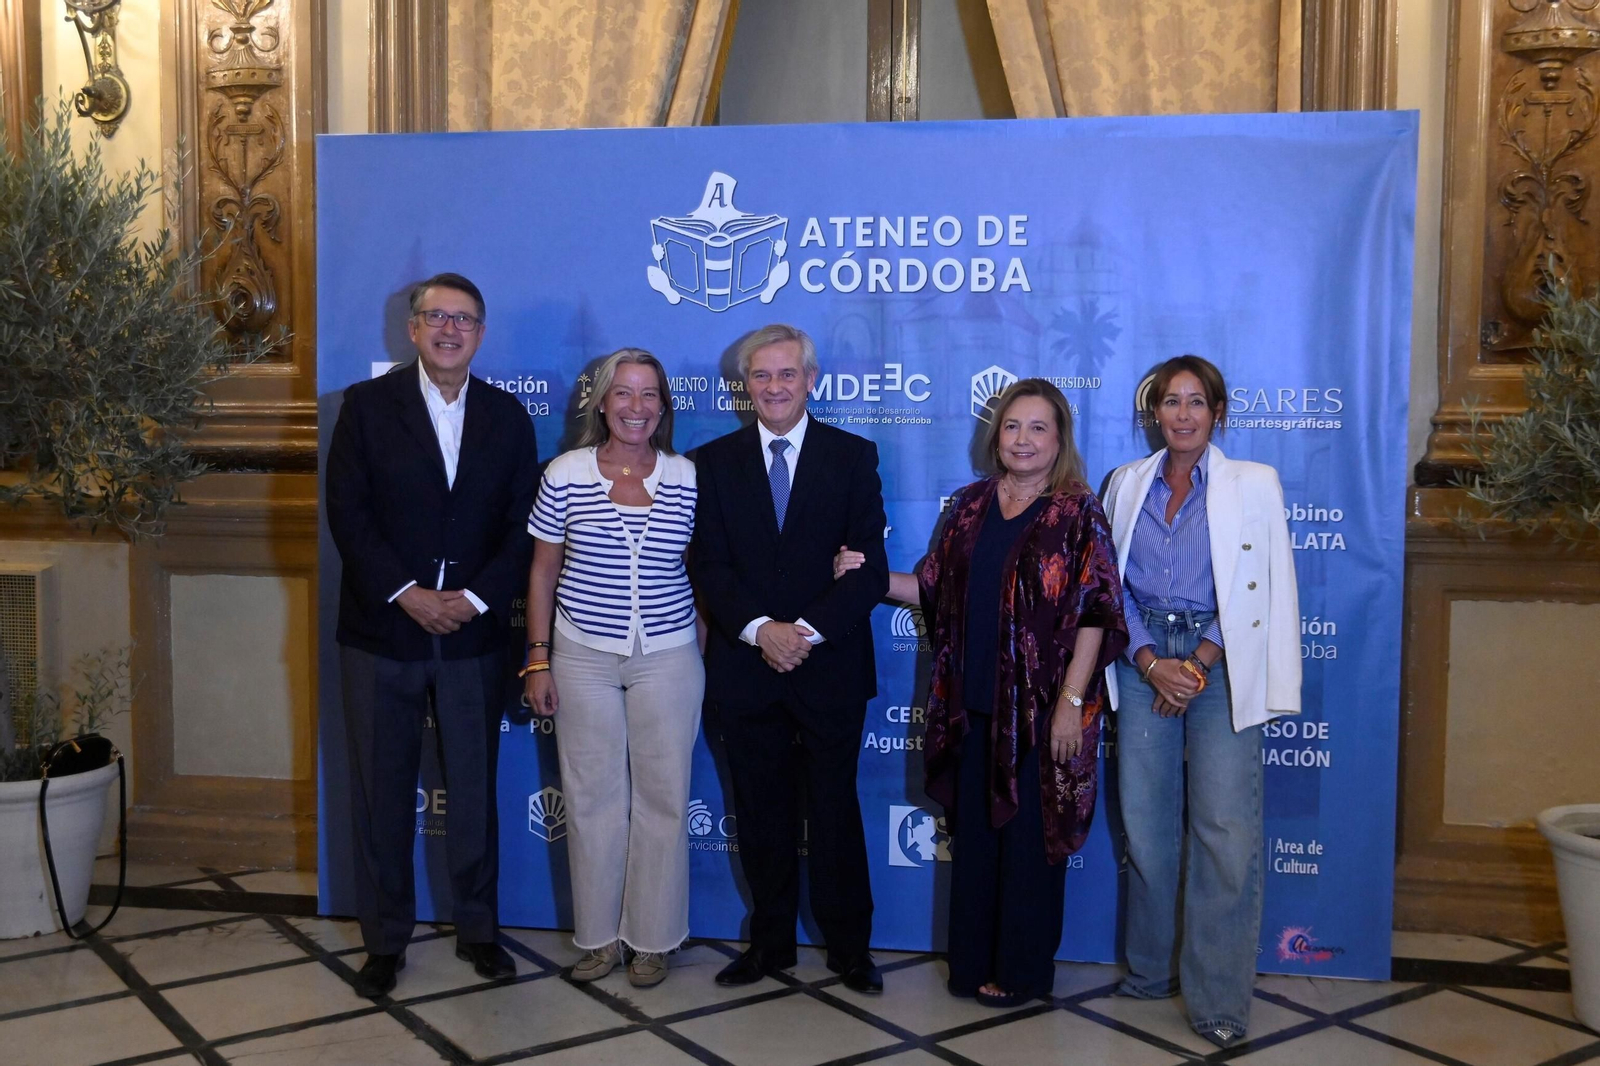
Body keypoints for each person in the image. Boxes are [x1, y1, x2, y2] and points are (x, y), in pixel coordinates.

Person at [835, 378, 1126, 1006]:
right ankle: (970, 966)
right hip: (968, 708)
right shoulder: (968, 506)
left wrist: (1072, 704)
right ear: (997, 435)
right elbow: (933, 590)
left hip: (1043, 711)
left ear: (1059, 439)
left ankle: (1021, 972)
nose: (1023, 439)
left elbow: (1098, 612)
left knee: (1028, 847)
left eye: (1038, 427)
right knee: (976, 843)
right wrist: (869, 574)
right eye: (1013, 426)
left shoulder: (1076, 512)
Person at [326, 272, 539, 998]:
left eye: (465, 320)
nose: (450, 330)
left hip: (473, 637)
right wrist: (408, 593)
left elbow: (524, 526)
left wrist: (473, 599)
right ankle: (385, 942)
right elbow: (348, 514)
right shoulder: (365, 407)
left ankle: (480, 932)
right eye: (436, 317)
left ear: (481, 334)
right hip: (382, 632)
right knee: (381, 793)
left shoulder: (509, 418)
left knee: (474, 792)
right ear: (413, 329)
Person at [1102, 354, 1301, 1049]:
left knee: (1223, 830)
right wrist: (1153, 662)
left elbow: (1263, 580)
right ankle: (1152, 973)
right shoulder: (1126, 483)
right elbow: (1108, 586)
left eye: (1196, 401)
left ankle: (1218, 997)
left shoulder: (1254, 482)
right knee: (1148, 826)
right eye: (1170, 401)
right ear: (1152, 411)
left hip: (1222, 658)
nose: (1182, 413)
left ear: (1218, 412)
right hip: (1143, 656)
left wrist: (1198, 664)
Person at [691, 323, 890, 993]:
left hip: (827, 666)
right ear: (744, 386)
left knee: (835, 813)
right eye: (761, 376)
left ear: (811, 380)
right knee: (762, 814)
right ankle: (769, 944)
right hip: (747, 670)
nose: (774, 387)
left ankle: (850, 949)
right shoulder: (712, 463)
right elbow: (710, 566)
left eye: (787, 374)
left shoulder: (853, 456)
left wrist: (800, 630)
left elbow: (869, 571)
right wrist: (758, 631)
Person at [523, 348, 703, 989]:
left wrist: (702, 641)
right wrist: (538, 659)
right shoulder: (567, 472)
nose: (635, 407)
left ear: (663, 406)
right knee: (592, 799)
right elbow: (543, 570)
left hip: (669, 654)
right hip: (580, 655)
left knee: (664, 799)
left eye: (649, 394)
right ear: (601, 402)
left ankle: (652, 941)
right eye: (623, 394)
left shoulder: (685, 475)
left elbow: (702, 571)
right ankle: (598, 940)